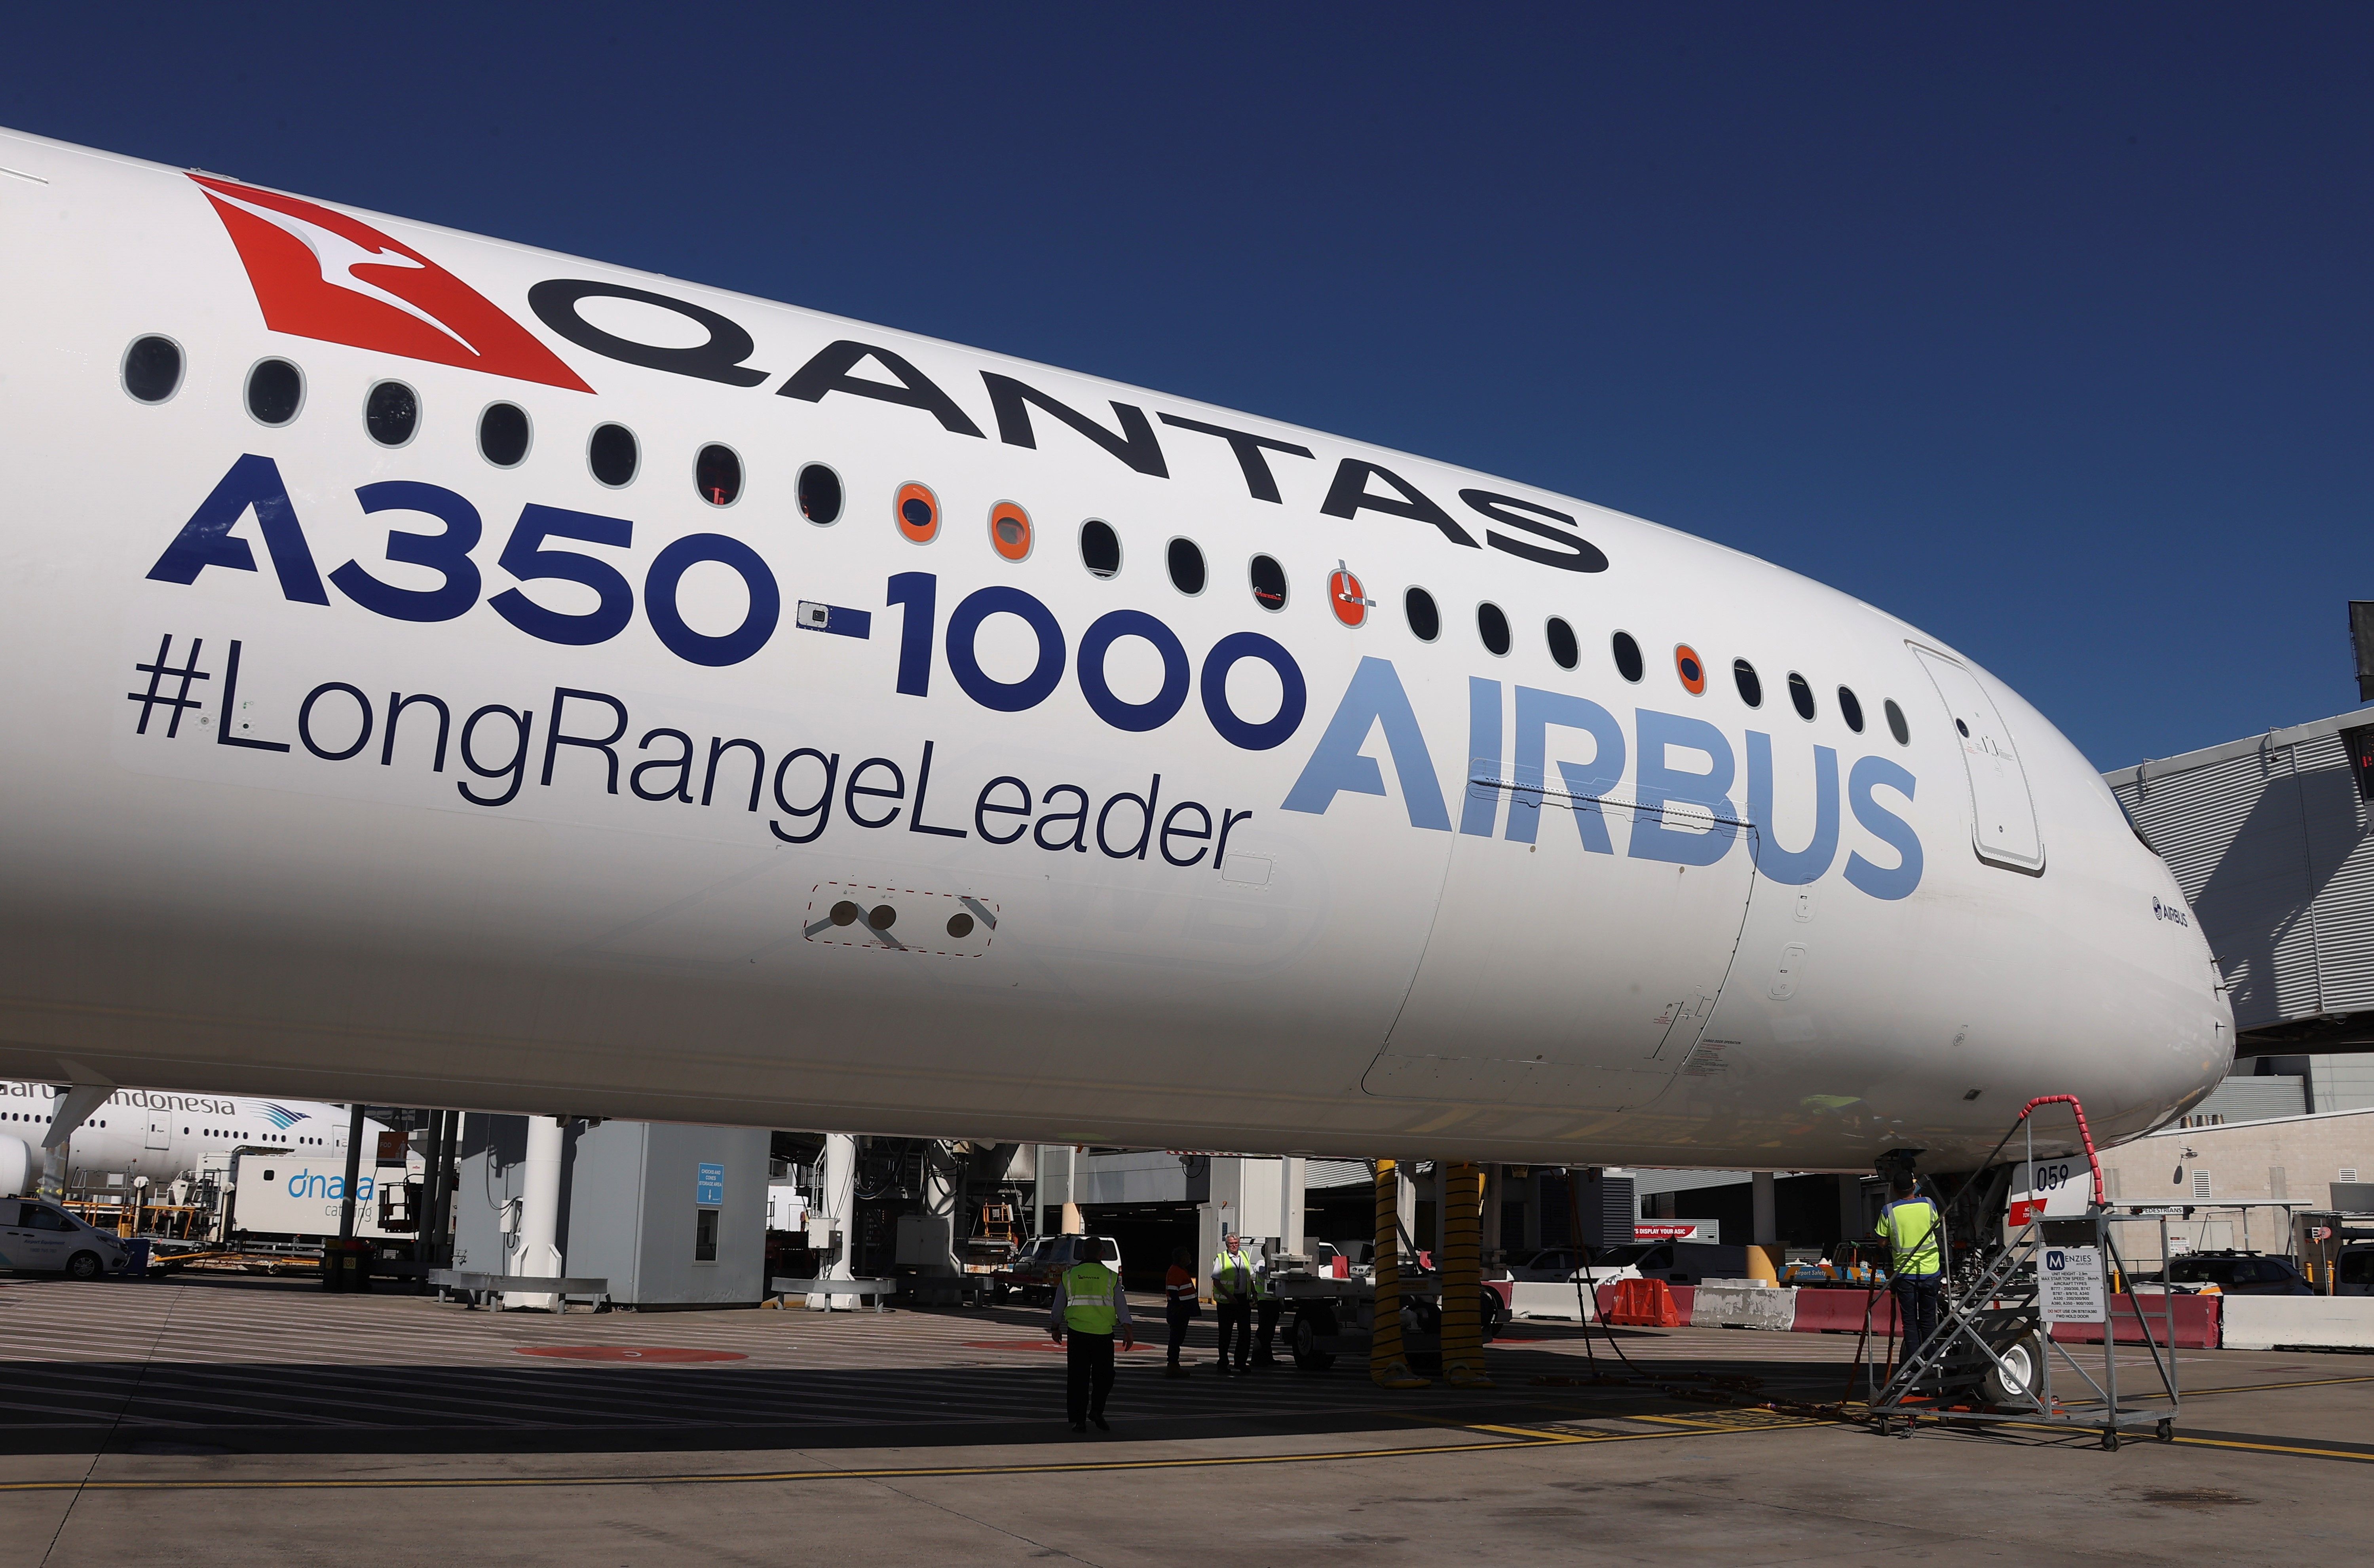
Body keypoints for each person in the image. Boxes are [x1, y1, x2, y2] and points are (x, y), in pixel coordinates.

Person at [1048, 1236, 1133, 1432]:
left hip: (1077, 1336)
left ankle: (1079, 1421)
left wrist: (1055, 1327)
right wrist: (1128, 1330)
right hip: (1103, 1336)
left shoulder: (1070, 1276)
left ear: (1084, 1254)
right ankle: (1097, 1410)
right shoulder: (1111, 1277)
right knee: (1105, 1377)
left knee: (1078, 1380)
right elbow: (1122, 1307)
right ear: (1102, 1253)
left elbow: (1058, 1305)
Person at [1875, 1171, 1943, 1371]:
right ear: (1914, 1187)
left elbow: (1881, 1241)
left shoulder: (1889, 1211)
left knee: (1911, 1323)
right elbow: (1936, 1228)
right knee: (1929, 1321)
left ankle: (1914, 1367)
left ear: (1895, 1190)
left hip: (1905, 1275)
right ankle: (1934, 1362)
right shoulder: (1928, 1204)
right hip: (1930, 1271)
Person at [1210, 1231, 1261, 1374]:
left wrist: (1255, 1293)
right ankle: (1223, 1364)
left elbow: (1250, 1277)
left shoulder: (1244, 1256)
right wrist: (1229, 1296)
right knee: (1226, 1334)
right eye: (1231, 1244)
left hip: (1243, 1299)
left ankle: (1240, 1362)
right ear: (1227, 1245)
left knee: (1245, 1333)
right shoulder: (1222, 1258)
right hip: (1227, 1302)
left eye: (1236, 1243)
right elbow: (1216, 1281)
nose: (1234, 1246)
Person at [1163, 1243, 1198, 1377]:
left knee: (1177, 1338)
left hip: (1181, 1311)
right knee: (1175, 1339)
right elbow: (1173, 1291)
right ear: (1182, 1258)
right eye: (1187, 1255)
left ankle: (1174, 1365)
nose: (1190, 1257)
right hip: (1178, 1311)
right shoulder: (1176, 1271)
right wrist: (1180, 1307)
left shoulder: (1180, 1270)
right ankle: (1172, 1366)